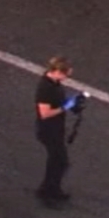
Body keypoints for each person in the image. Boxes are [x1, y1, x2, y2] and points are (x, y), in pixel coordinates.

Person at [34, 56, 80, 207]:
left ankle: (51, 189)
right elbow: (45, 113)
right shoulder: (45, 88)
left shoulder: (55, 84)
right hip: (48, 130)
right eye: (65, 75)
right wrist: (65, 107)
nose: (66, 78)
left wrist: (72, 104)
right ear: (58, 72)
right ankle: (48, 192)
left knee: (56, 161)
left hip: (56, 129)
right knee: (59, 161)